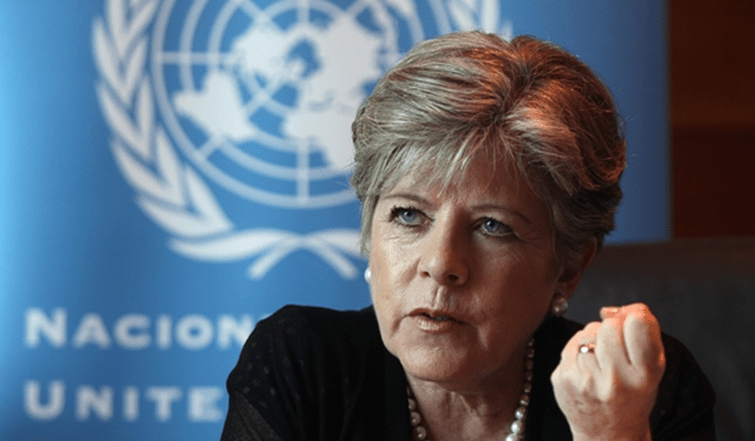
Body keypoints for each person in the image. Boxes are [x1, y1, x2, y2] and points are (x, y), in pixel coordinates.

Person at [220, 31, 715, 440]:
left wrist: (609, 434)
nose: (441, 263)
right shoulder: (302, 365)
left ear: (568, 266)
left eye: (492, 226)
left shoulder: (642, 395)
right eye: (409, 215)